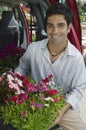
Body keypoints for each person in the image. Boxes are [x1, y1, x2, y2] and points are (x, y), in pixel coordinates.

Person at [14, 2, 86, 130]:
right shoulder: (33, 49)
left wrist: (62, 110)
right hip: (33, 101)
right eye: (50, 26)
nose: (54, 31)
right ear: (46, 27)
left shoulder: (76, 58)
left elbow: (78, 88)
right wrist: (17, 86)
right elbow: (22, 68)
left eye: (61, 25)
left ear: (69, 28)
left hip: (61, 106)